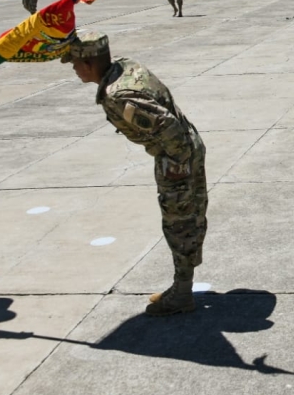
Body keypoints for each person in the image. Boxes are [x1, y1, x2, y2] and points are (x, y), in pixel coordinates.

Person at [64, 32, 207, 316]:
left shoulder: (118, 94)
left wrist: (175, 172)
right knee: (189, 219)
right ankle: (183, 285)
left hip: (176, 157)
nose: (73, 68)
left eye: (75, 63)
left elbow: (170, 132)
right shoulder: (124, 67)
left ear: (89, 63)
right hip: (186, 149)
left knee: (179, 224)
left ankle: (181, 293)